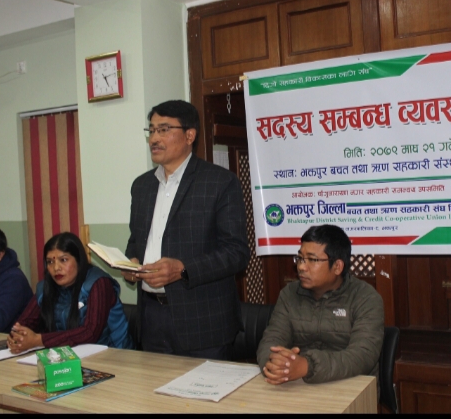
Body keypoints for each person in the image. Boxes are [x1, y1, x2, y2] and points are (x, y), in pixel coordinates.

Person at [121, 99, 249, 360]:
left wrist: (183, 269)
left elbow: (236, 253)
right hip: (151, 318)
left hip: (203, 321)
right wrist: (131, 262)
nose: (154, 138)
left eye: (164, 129)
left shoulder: (219, 182)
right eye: (151, 130)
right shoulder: (142, 186)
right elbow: (136, 241)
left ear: (189, 135)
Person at [257, 224, 384, 385]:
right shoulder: (289, 294)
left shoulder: (365, 298)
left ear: (337, 267)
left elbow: (362, 356)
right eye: (300, 258)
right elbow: (271, 340)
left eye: (312, 260)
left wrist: (308, 366)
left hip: (351, 385)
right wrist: (274, 364)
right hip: (298, 383)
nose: (301, 267)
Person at [8, 232, 133, 353]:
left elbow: (90, 333)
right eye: (50, 262)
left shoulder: (98, 283)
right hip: (68, 355)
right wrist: (17, 336)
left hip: (114, 354)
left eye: (63, 260)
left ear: (78, 260)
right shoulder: (45, 287)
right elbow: (24, 323)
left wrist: (39, 340)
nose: (56, 268)